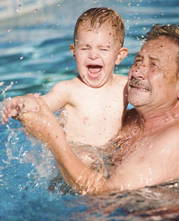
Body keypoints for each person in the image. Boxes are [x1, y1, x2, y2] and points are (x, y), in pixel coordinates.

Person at [13, 24, 179, 195]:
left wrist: (53, 136)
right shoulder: (133, 121)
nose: (137, 72)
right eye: (138, 61)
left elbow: (105, 194)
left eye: (153, 66)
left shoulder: (177, 139)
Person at [1, 7, 128, 148]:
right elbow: (40, 105)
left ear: (119, 56)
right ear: (74, 52)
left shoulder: (125, 87)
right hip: (77, 159)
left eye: (103, 49)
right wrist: (21, 103)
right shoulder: (67, 90)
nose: (93, 55)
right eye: (85, 48)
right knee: (87, 158)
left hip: (113, 157)